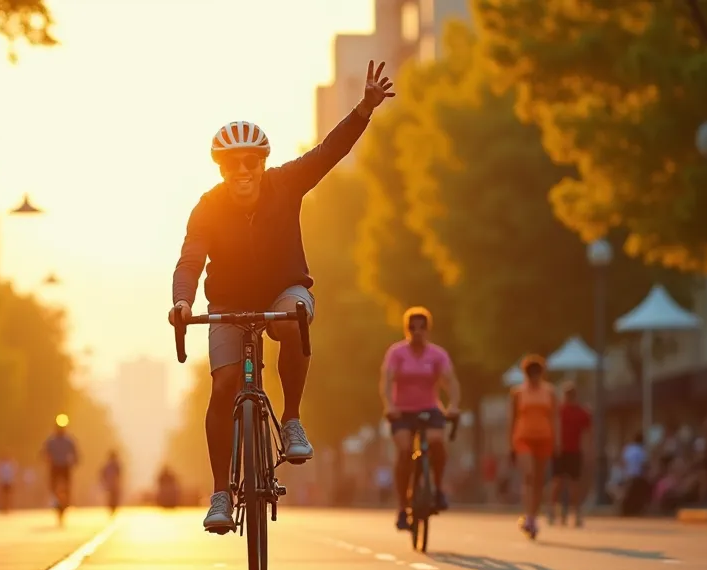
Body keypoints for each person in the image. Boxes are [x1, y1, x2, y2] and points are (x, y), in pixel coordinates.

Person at [169, 61, 397, 534]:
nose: (243, 171)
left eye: (251, 162)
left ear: (263, 163)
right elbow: (189, 261)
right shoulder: (207, 208)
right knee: (224, 386)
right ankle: (220, 495)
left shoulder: (286, 182)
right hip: (228, 305)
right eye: (232, 164)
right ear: (221, 169)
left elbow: (328, 152)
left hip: (283, 291)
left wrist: (364, 108)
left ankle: (291, 419)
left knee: (293, 318)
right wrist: (183, 302)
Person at [380, 307, 461, 533]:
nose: (417, 331)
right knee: (404, 450)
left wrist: (454, 405)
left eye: (422, 327)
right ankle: (401, 507)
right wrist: (389, 405)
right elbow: (387, 381)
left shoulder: (437, 354)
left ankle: (438, 488)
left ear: (428, 329)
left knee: (437, 443)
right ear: (406, 329)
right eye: (412, 327)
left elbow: (450, 382)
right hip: (402, 411)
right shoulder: (397, 353)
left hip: (430, 408)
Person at [509, 355, 557, 538]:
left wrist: (557, 441)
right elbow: (512, 419)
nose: (534, 377)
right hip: (523, 438)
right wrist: (510, 444)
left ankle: (533, 516)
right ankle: (528, 515)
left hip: (544, 438)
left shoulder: (550, 392)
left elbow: (554, 418)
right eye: (530, 373)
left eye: (537, 373)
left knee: (538, 480)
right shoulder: (517, 393)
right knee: (528, 476)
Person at [549, 382, 592, 527]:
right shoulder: (558, 411)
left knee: (574, 484)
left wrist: (587, 450)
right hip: (559, 451)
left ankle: (576, 513)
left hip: (574, 451)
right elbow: (552, 429)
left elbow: (587, 433)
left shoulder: (582, 412)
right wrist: (554, 445)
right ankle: (553, 510)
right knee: (557, 482)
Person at [42, 416, 80, 524]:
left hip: (65, 466)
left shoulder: (69, 440)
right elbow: (45, 452)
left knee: (67, 486)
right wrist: (47, 460)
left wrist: (75, 460)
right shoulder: (51, 440)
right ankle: (55, 502)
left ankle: (67, 501)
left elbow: (75, 452)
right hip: (55, 466)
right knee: (53, 486)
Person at [101, 450, 123, 514]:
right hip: (112, 483)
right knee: (112, 497)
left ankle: (112, 508)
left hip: (111, 483)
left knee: (112, 496)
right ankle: (112, 508)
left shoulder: (110, 465)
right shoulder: (113, 465)